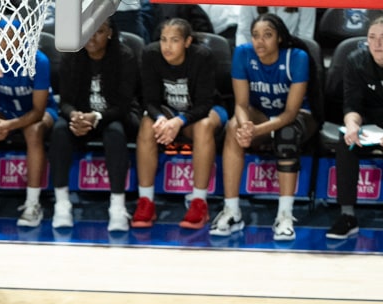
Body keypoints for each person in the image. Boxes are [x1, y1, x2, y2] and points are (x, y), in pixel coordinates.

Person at [211, 13, 313, 242]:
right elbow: (241, 104)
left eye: (267, 36)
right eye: (256, 35)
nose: (259, 41)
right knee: (233, 126)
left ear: (278, 38)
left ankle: (284, 216)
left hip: (297, 116)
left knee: (286, 135)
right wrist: (246, 126)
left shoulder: (296, 57)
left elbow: (290, 113)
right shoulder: (243, 54)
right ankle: (232, 211)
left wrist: (258, 130)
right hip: (259, 114)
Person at [131, 18, 226, 230]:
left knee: (203, 127)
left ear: (187, 41)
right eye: (164, 40)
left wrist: (179, 121)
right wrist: (162, 119)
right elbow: (149, 100)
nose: (167, 46)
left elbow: (204, 104)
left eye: (174, 40)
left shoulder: (202, 57)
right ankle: (146, 201)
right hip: (169, 114)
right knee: (147, 124)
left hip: (205, 112)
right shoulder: (151, 54)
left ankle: (199, 202)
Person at [48, 19, 140, 232]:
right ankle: (62, 204)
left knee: (115, 133)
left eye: (98, 32)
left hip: (114, 117)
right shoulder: (71, 55)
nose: (91, 37)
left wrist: (96, 117)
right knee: (60, 131)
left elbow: (124, 105)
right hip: (81, 118)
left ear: (109, 33)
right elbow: (65, 101)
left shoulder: (124, 57)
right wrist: (75, 116)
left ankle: (117, 206)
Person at [0, 46, 58, 229]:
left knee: (34, 131)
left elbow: (38, 112)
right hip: (4, 111)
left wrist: (9, 126)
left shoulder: (39, 61)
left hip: (40, 112)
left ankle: (33, 204)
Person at [327, 13, 383, 240]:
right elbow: (351, 105)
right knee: (346, 142)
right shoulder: (356, 60)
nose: (377, 43)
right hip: (370, 125)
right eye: (372, 37)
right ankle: (347, 216)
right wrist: (351, 126)